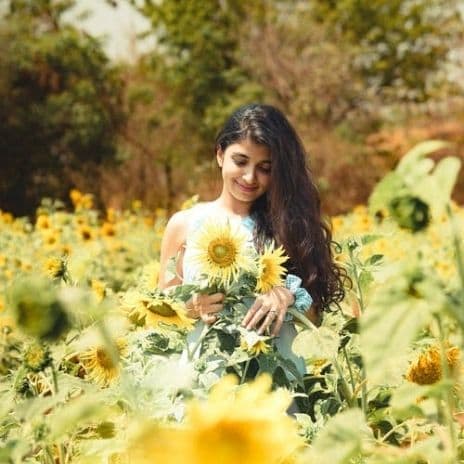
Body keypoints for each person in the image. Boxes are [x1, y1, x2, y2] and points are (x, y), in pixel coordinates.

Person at [158, 103, 346, 375]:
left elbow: (315, 317)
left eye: (265, 168)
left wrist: (288, 297)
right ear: (220, 155)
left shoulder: (288, 227)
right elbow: (162, 309)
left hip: (276, 380)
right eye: (241, 161)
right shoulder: (184, 224)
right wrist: (192, 306)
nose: (250, 177)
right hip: (207, 378)